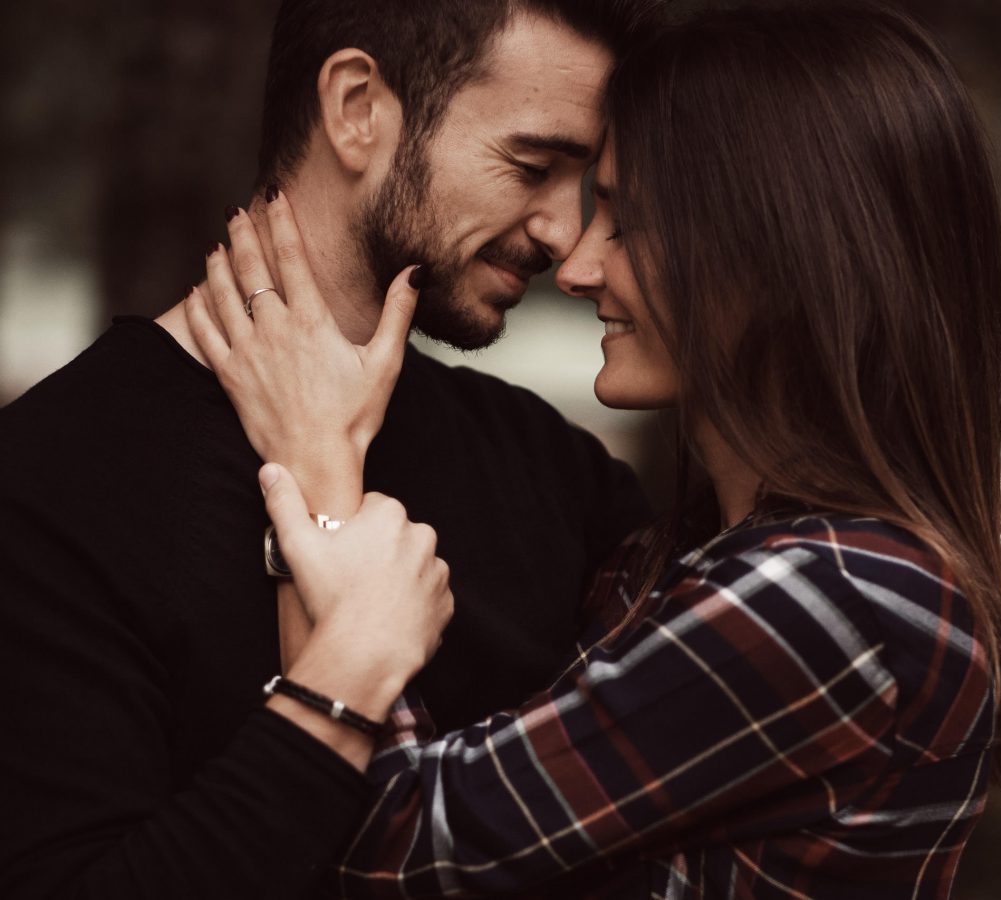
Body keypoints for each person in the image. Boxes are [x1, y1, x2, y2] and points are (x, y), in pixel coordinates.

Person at [184, 3, 1001, 897]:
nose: (578, 266)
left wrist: (317, 470)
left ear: (781, 255)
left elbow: (386, 850)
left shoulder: (843, 602)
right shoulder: (670, 556)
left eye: (628, 225)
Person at [0, 2, 659, 898]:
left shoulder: (553, 467)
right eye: (533, 166)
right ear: (356, 108)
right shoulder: (52, 481)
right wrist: (346, 674)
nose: (562, 230)